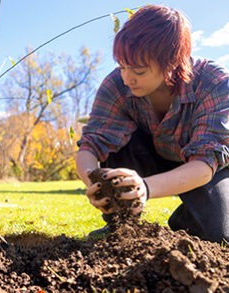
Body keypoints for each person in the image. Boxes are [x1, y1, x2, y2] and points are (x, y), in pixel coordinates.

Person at [76, 5, 229, 243]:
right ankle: (121, 224)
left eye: (139, 70)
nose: (127, 78)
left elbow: (204, 163)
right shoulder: (116, 84)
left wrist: (144, 188)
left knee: (219, 235)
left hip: (205, 168)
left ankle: (189, 216)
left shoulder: (214, 82)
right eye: (122, 66)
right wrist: (93, 182)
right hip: (151, 154)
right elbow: (91, 145)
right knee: (115, 142)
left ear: (172, 63)